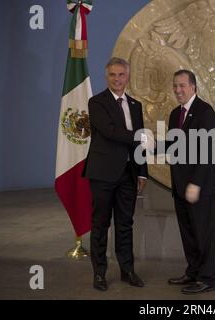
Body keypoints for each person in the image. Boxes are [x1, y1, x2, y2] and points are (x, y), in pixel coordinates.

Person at [82, 57, 148, 291]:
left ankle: (127, 270)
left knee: (125, 225)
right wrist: (139, 136)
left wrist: (142, 173)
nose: (117, 79)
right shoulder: (96, 103)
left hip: (128, 175)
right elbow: (110, 132)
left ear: (127, 77)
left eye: (121, 75)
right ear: (106, 76)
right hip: (102, 174)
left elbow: (140, 145)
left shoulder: (136, 105)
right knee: (100, 224)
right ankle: (99, 273)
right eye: (113, 75)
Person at [166, 70, 215, 294]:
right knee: (188, 232)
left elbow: (207, 151)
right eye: (175, 86)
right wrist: (151, 146)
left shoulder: (205, 112)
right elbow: (172, 145)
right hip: (180, 185)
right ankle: (193, 272)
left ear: (193, 87)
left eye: (182, 86)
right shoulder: (174, 114)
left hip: (201, 186)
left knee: (203, 233)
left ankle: (207, 278)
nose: (178, 90)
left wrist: (195, 183)